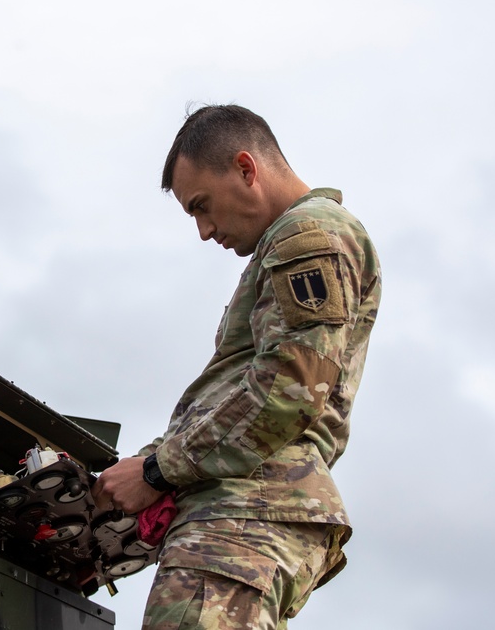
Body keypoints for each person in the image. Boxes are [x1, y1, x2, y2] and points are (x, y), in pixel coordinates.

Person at [92, 104, 381, 629]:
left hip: (241, 517)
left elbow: (290, 388)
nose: (204, 230)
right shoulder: (291, 241)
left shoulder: (306, 235)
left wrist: (157, 472)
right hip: (241, 515)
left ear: (247, 169)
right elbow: (251, 385)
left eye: (202, 206)